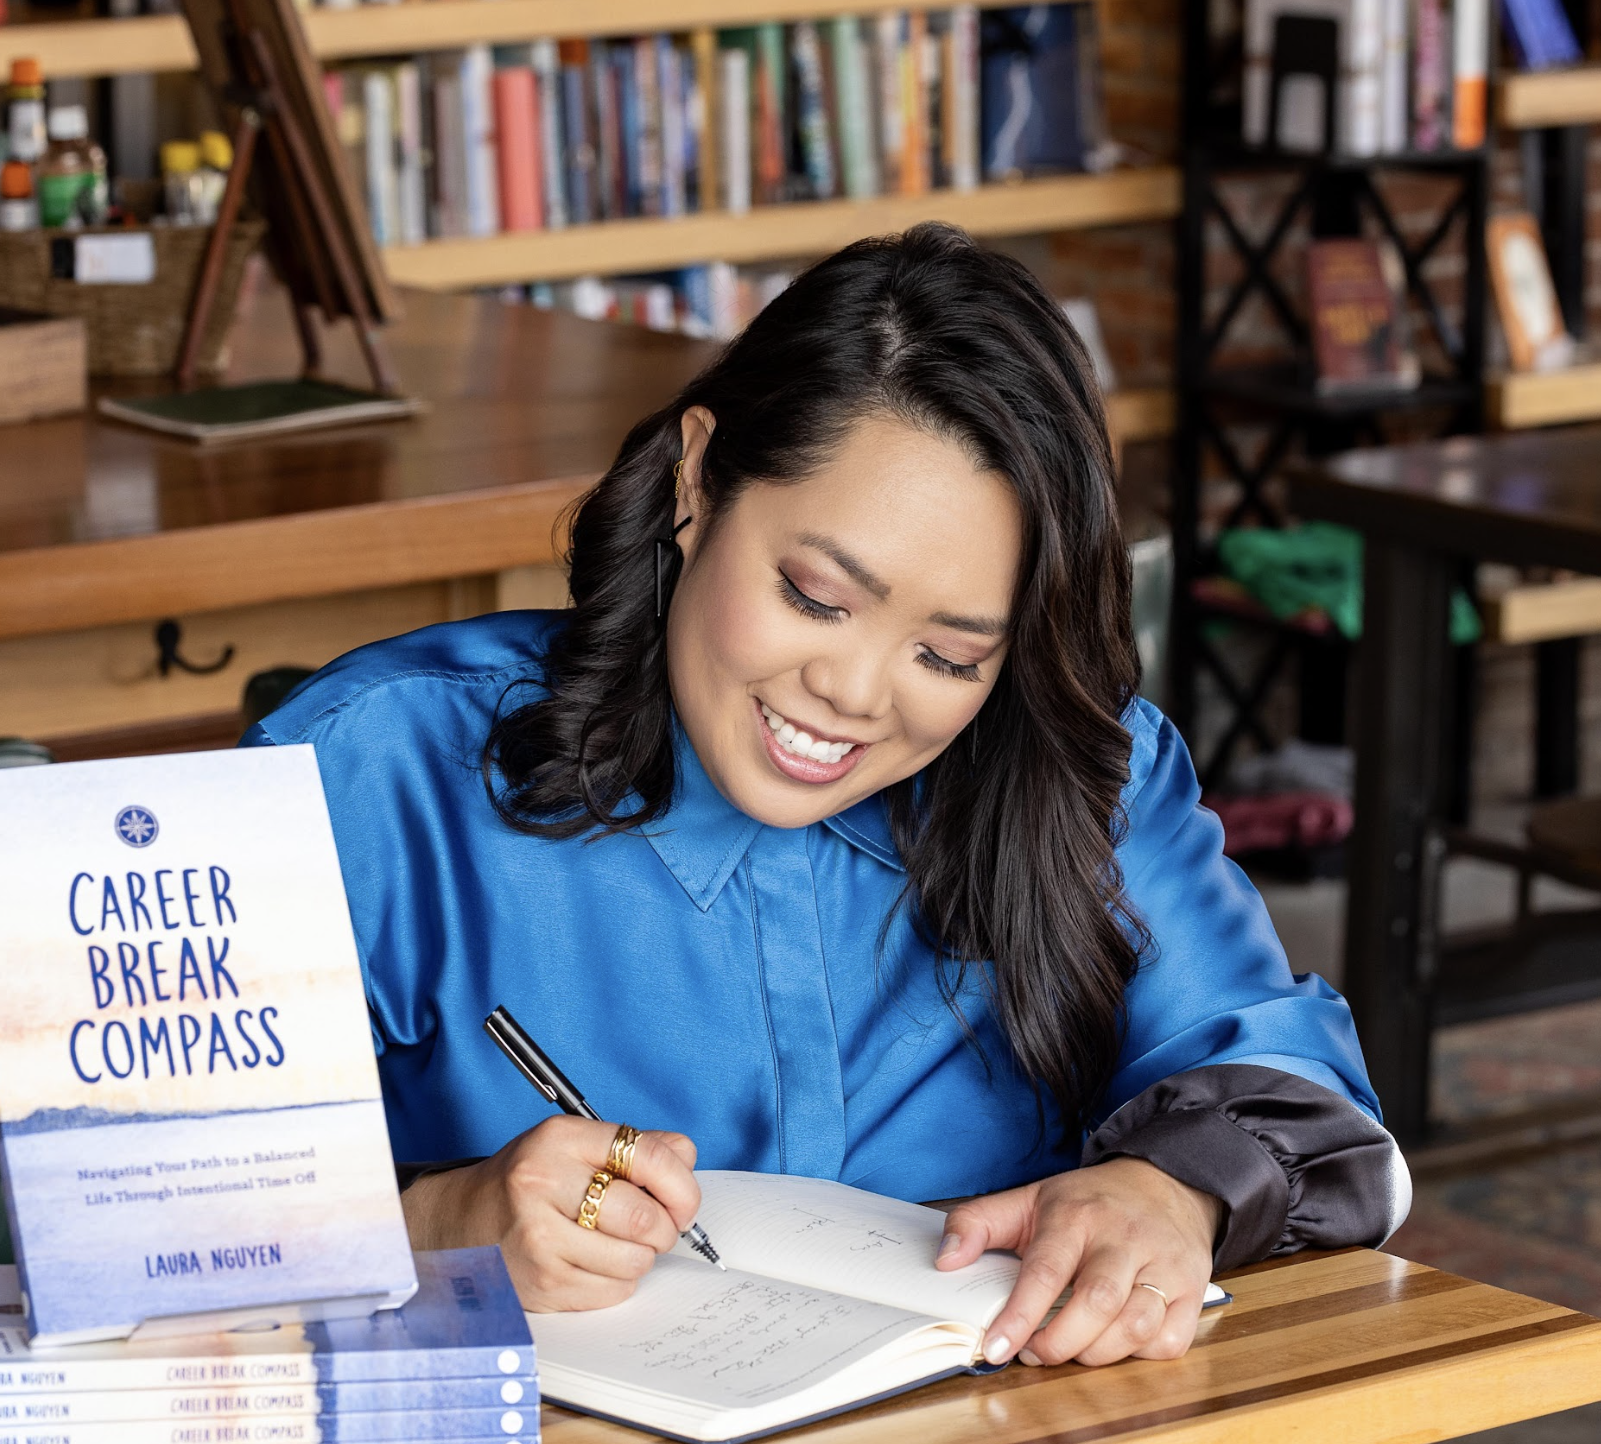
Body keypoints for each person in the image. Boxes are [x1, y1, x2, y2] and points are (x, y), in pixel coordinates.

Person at [244, 224, 1407, 1369]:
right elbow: (115, 1220)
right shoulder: (379, 773)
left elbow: (1305, 1099)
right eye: (814, 594)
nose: (852, 694)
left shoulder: (1078, 776)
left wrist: (1174, 1191)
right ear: (699, 479)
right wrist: (440, 1223)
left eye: (950, 657)